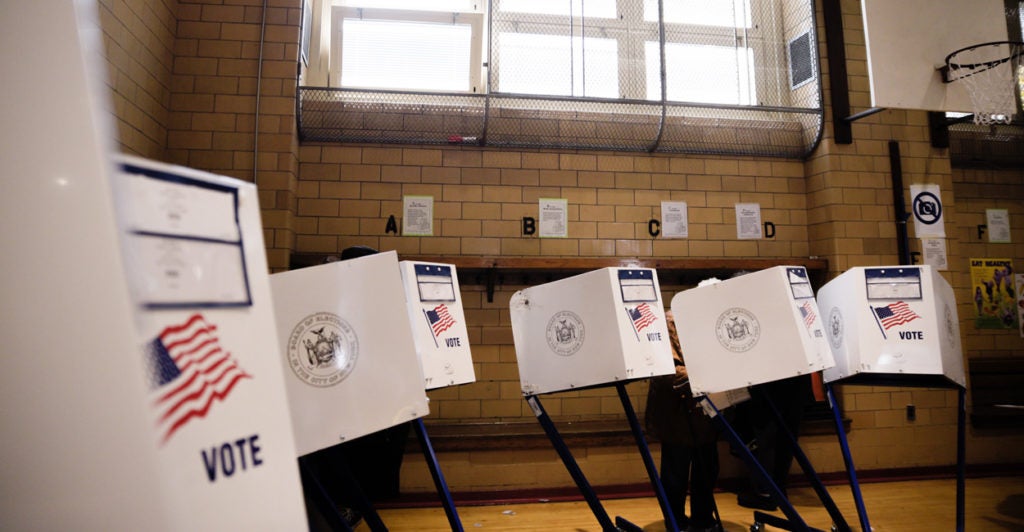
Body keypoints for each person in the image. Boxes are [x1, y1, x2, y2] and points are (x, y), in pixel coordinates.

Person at [645, 310, 722, 532]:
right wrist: (711, 373)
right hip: (677, 414)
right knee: (675, 474)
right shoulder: (670, 321)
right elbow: (668, 370)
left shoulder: (708, 319)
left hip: (704, 411)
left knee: (707, 469)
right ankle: (675, 522)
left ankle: (702, 520)